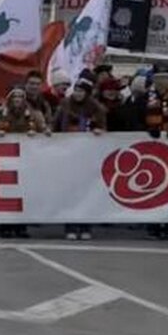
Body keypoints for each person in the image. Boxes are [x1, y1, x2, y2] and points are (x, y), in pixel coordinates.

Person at [130, 63, 168, 241]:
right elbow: (133, 119)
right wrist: (146, 129)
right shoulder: (144, 100)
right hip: (151, 150)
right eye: (158, 80)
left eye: (165, 79)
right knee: (153, 186)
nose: (162, 83)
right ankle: (153, 225)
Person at [0, 85, 51, 239]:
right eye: (15, 97)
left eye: (20, 97)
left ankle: (21, 226)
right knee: (7, 192)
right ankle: (5, 226)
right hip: (6, 159)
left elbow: (43, 127)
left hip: (27, 159)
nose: (17, 100)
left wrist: (44, 131)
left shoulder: (33, 114)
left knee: (24, 193)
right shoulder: (2, 112)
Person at [52, 78, 107, 241]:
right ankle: (70, 225)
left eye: (81, 91)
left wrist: (99, 131)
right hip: (68, 154)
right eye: (76, 90)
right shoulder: (65, 105)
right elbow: (55, 125)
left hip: (87, 156)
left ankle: (85, 226)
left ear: (87, 93)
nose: (77, 94)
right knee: (69, 192)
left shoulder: (96, 108)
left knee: (87, 192)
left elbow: (103, 127)